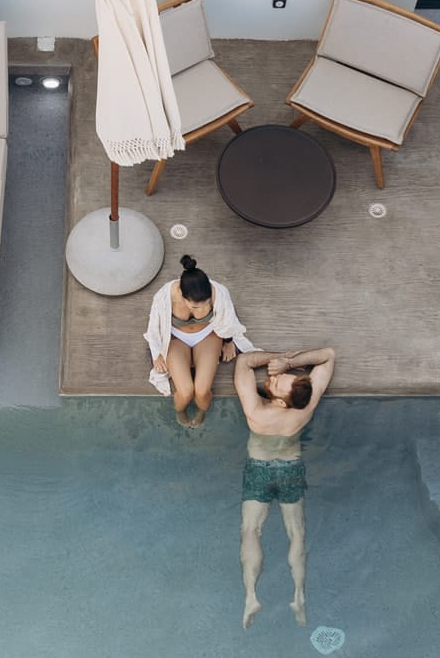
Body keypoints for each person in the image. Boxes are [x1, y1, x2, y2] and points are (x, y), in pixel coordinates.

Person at [233, 346, 336, 629]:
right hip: (290, 469)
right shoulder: (305, 406)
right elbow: (329, 355)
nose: (275, 377)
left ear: (279, 402)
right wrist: (288, 363)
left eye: (278, 382)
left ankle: (251, 596)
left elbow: (244, 362)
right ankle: (298, 595)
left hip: (258, 469)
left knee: (250, 530)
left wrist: (273, 360)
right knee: (296, 533)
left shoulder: (256, 411)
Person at [143, 255, 256, 427]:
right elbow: (153, 326)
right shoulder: (164, 296)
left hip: (207, 335)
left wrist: (228, 342)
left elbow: (226, 319)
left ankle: (202, 411)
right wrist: (157, 353)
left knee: (202, 391)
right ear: (181, 294)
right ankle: (180, 410)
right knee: (185, 391)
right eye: (195, 306)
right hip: (176, 338)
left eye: (206, 304)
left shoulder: (219, 292)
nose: (202, 309)